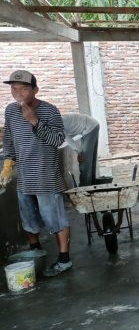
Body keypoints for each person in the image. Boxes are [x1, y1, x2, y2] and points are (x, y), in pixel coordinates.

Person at [0, 70, 72, 277]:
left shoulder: (49, 111)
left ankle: (64, 259)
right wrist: (7, 163)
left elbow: (59, 141)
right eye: (14, 88)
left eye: (24, 88)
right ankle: (35, 249)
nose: (18, 93)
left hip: (46, 175)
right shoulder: (11, 111)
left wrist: (34, 121)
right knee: (28, 217)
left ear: (35, 90)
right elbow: (10, 139)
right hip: (24, 175)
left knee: (55, 218)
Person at [62, 113, 100, 186]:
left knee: (84, 159)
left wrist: (79, 152)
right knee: (90, 159)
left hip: (89, 127)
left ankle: (84, 187)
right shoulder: (56, 119)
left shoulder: (55, 123)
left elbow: (68, 139)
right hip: (92, 124)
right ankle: (92, 183)